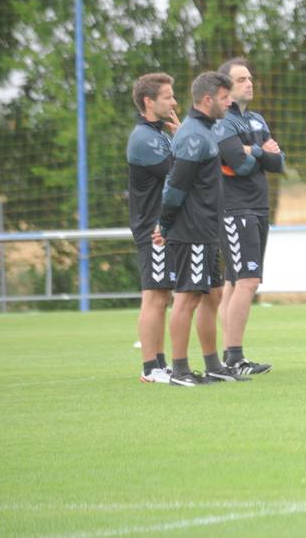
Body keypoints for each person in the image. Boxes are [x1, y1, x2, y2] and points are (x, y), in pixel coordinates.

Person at [156, 71, 246, 386]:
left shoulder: (200, 130)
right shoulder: (194, 134)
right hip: (191, 229)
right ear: (208, 100)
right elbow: (176, 186)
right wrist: (164, 224)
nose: (229, 101)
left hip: (207, 228)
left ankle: (213, 365)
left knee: (211, 296)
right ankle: (179, 370)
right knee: (187, 297)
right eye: (224, 97)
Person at [212, 58, 283, 377]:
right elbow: (238, 165)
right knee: (248, 280)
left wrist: (253, 151)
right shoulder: (223, 122)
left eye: (250, 78)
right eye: (241, 79)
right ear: (225, 88)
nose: (249, 83)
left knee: (233, 282)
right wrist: (261, 152)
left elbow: (278, 162)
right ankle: (234, 358)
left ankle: (229, 356)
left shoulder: (256, 119)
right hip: (235, 208)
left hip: (258, 206)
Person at [128, 72, 180, 383]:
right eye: (168, 97)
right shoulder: (144, 139)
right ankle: (150, 368)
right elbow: (179, 172)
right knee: (155, 295)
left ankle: (160, 364)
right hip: (153, 228)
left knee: (162, 295)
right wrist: (186, 136)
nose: (174, 102)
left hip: (164, 227)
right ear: (149, 102)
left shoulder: (160, 134)